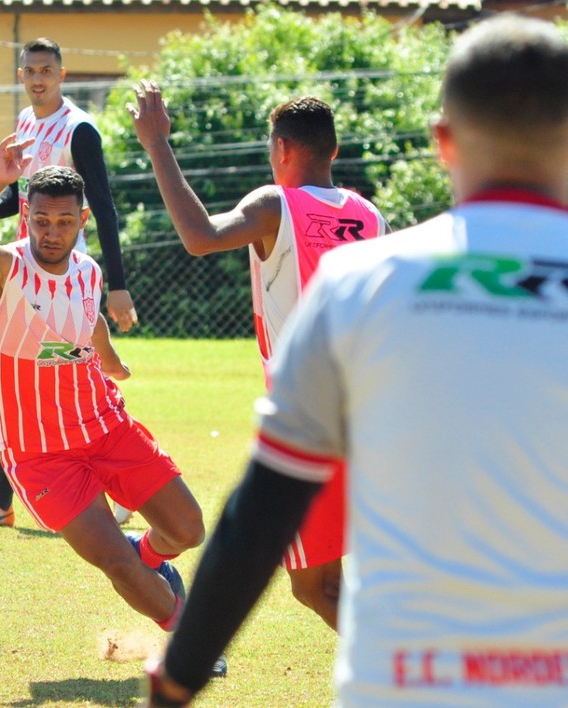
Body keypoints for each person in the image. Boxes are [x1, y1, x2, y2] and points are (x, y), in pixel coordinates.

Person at [143, 14, 568, 706]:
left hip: (408, 678)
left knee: (313, 584)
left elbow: (258, 514)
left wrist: (177, 680)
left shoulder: (361, 282)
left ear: (443, 142)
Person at [0, 141, 226, 678]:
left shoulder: (88, 272)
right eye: (41, 220)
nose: (52, 231)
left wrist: (110, 360)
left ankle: (152, 557)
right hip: (42, 454)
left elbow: (91, 320)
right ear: (27, 217)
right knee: (115, 560)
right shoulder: (6, 266)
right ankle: (189, 643)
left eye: (64, 221)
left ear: (82, 220)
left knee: (188, 530)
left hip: (106, 427)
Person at [128, 85, 388, 630]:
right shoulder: (369, 216)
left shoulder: (275, 203)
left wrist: (157, 145)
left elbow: (199, 237)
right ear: (334, 152)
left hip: (310, 421)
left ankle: (410, 679)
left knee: (315, 586)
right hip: (369, 409)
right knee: (337, 580)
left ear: (282, 149)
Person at [0, 37, 137, 527]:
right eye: (30, 70)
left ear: (62, 74)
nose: (38, 78)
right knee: (26, 377)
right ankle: (3, 501)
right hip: (24, 270)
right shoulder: (27, 123)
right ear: (20, 75)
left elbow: (105, 206)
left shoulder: (80, 130)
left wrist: (116, 285)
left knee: (67, 381)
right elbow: (28, 193)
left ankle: (110, 486)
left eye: (46, 70)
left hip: (65, 271)